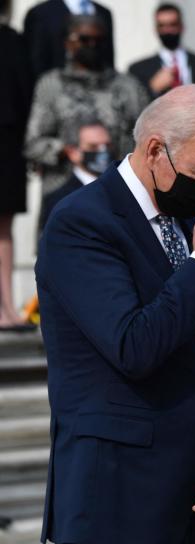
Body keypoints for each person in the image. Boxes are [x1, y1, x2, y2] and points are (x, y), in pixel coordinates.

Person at [35, 84, 195, 544]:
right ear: (156, 150)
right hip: (116, 513)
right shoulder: (81, 222)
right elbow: (133, 346)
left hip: (189, 513)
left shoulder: (191, 225)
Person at [24, 14, 148, 197]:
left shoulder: (128, 86)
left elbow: (146, 139)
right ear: (68, 43)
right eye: (84, 39)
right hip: (63, 189)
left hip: (118, 189)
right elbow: (33, 143)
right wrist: (67, 150)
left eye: (98, 40)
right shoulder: (52, 85)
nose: (92, 45)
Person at [0, 6, 33, 331]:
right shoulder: (13, 41)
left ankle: (7, 308)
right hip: (8, 145)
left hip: (7, 147)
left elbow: (26, 95)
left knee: (3, 231)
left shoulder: (13, 41)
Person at [128, 3, 195, 99]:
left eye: (172, 25)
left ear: (181, 27)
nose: (167, 30)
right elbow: (133, 107)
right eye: (162, 26)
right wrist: (153, 88)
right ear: (156, 29)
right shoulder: (138, 69)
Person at [39, 119, 112, 232]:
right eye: (93, 147)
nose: (103, 151)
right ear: (73, 153)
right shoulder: (61, 200)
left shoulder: (120, 189)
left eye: (107, 145)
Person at [23, 0, 114, 78]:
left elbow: (108, 59)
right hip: (58, 92)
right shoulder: (41, 13)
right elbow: (36, 64)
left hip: (101, 88)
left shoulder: (104, 12)